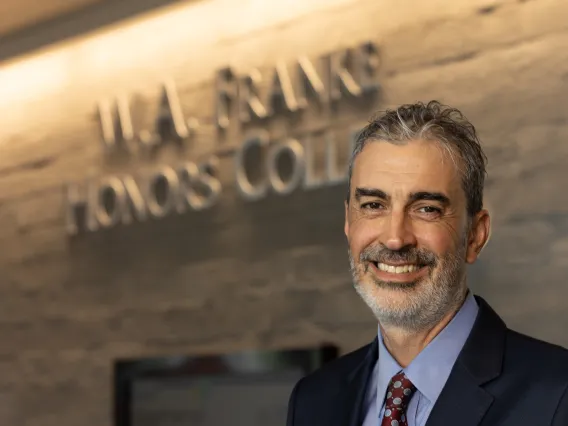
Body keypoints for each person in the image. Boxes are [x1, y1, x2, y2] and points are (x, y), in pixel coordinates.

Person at [286, 101, 568, 426]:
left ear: (475, 235)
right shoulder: (313, 401)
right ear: (349, 224)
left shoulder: (557, 396)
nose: (395, 239)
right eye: (374, 204)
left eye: (426, 209)